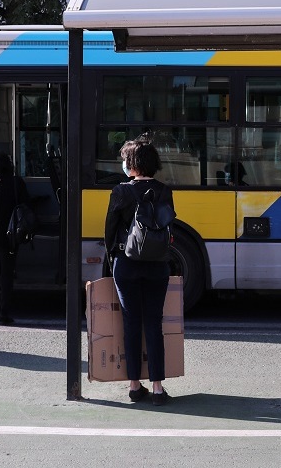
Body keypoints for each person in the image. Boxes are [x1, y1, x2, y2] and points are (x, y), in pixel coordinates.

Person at [105, 140, 175, 406]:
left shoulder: (120, 191)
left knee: (131, 323)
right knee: (154, 323)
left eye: (125, 160)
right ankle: (157, 389)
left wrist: (113, 258)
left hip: (127, 263)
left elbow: (109, 230)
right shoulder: (164, 191)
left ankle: (134, 386)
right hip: (157, 265)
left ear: (131, 164)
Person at [0, 152, 30, 325]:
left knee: (5, 257)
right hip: (9, 234)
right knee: (7, 274)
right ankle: (4, 312)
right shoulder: (16, 183)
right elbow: (25, 203)